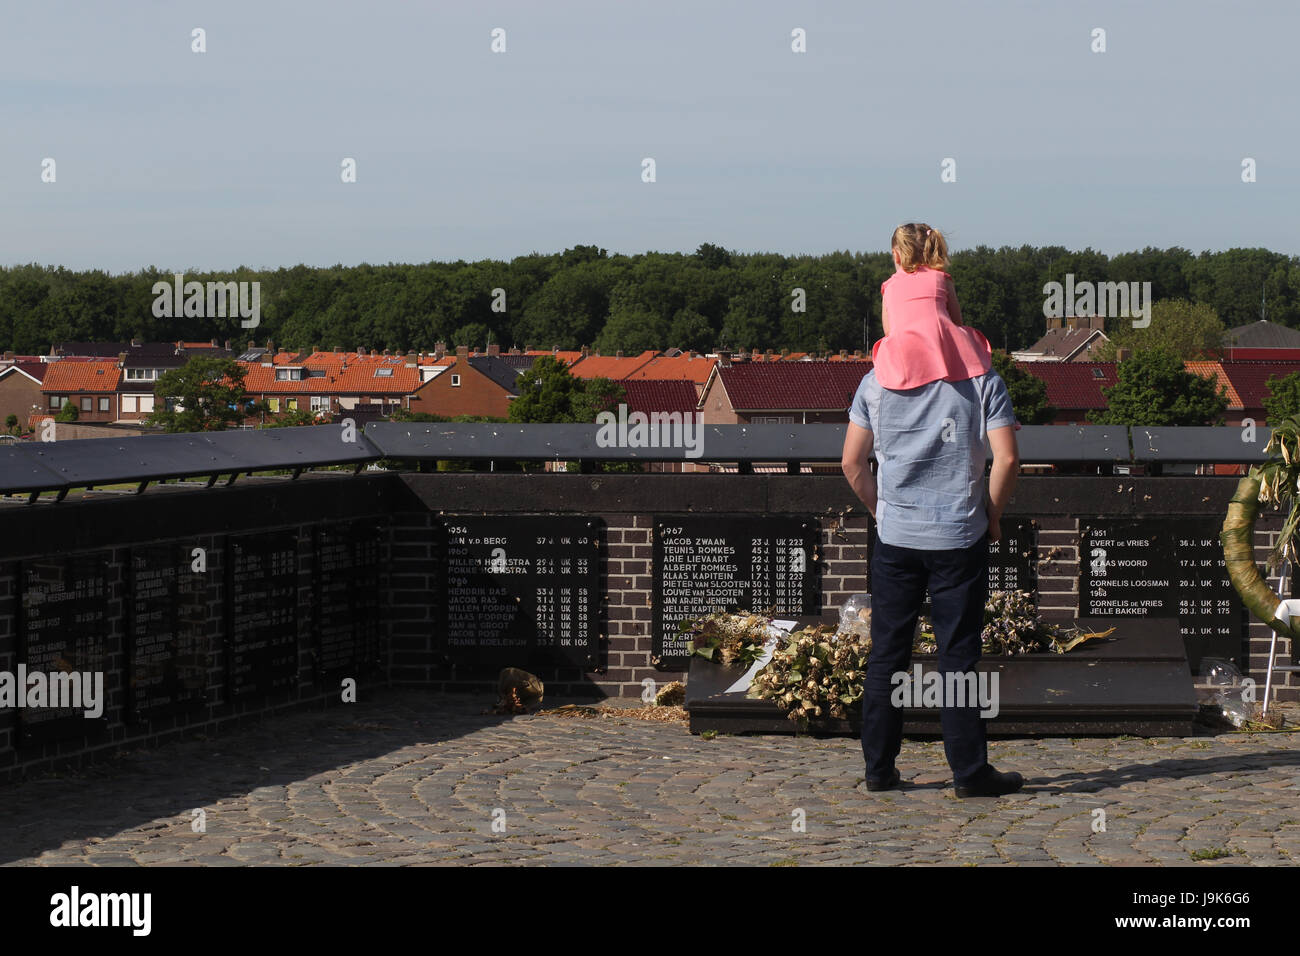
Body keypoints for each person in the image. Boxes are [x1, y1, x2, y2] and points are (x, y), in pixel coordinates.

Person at [841, 222, 1023, 799]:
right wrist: (990, 516)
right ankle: (969, 773)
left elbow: (851, 464)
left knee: (887, 653)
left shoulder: (874, 383)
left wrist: (882, 512)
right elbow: (1008, 459)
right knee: (958, 659)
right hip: (958, 536)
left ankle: (878, 769)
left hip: (897, 537)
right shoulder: (982, 380)